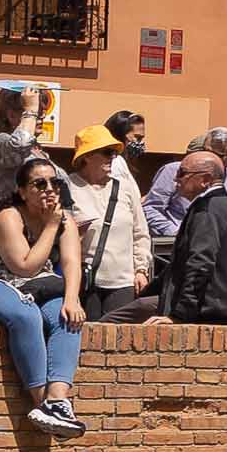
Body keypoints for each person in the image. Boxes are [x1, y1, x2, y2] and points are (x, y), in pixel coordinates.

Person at [0, 149, 96, 437]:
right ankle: (41, 403)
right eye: (39, 184)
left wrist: (71, 299)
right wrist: (52, 225)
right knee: (26, 315)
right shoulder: (8, 216)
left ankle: (57, 400)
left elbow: (71, 263)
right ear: (21, 190)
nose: (50, 190)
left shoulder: (63, 217)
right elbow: (25, 266)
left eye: (55, 183)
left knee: (67, 317)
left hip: (37, 287)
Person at [158, 145, 227, 327]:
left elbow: (200, 263)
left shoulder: (208, 210)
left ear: (205, 180)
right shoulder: (223, 206)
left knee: (116, 319)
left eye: (182, 173)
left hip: (208, 310)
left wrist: (179, 316)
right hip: (224, 306)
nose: (176, 179)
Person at [65, 125, 156, 321]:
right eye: (107, 152)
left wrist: (141, 270)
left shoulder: (125, 188)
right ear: (87, 156)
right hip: (85, 281)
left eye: (114, 153)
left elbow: (141, 233)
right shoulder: (68, 187)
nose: (112, 157)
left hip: (123, 282)